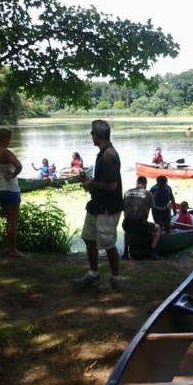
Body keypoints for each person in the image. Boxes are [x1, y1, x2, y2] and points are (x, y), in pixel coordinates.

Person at [74, 120, 123, 293]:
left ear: (96, 136)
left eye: (92, 134)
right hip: (96, 205)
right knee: (88, 238)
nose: (91, 137)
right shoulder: (103, 153)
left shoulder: (108, 156)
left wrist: (92, 185)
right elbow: (105, 183)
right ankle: (93, 273)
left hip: (108, 208)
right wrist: (92, 183)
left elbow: (112, 186)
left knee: (108, 243)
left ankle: (115, 278)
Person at [0, 128, 24, 258]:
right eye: (9, 139)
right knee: (13, 221)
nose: (10, 142)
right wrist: (13, 175)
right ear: (4, 139)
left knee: (9, 220)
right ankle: (13, 250)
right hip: (10, 189)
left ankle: (9, 247)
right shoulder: (5, 153)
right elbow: (19, 166)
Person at [121, 176, 162, 260]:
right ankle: (152, 252)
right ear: (145, 184)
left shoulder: (127, 192)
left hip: (126, 223)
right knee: (158, 228)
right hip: (140, 224)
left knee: (127, 230)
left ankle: (125, 252)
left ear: (137, 183)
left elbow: (123, 207)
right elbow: (152, 207)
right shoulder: (148, 193)